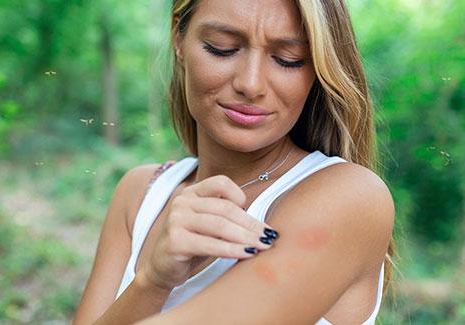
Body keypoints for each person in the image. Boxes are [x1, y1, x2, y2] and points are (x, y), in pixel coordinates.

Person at [73, 0, 395, 323]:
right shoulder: (140, 194)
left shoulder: (352, 198)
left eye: (288, 60)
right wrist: (152, 282)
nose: (250, 84)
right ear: (178, 38)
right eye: (221, 48)